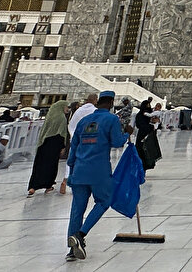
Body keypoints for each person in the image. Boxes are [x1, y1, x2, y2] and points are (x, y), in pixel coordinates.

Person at [65, 90, 127, 261]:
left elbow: (73, 148)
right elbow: (116, 142)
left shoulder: (84, 121)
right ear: (112, 102)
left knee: (77, 209)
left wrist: (70, 171)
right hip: (98, 170)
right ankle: (80, 234)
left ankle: (71, 250)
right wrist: (127, 133)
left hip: (79, 169)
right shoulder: (111, 119)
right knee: (103, 201)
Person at [29, 100, 69, 196]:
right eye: (66, 107)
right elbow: (62, 134)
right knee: (51, 166)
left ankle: (33, 187)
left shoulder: (49, 117)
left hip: (43, 144)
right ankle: (48, 186)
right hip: (54, 145)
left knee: (39, 166)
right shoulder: (62, 118)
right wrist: (63, 147)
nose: (67, 109)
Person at [63, 93, 98, 195]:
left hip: (75, 138)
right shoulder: (94, 111)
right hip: (88, 140)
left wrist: (74, 136)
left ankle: (66, 179)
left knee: (72, 160)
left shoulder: (79, 110)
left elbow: (71, 125)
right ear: (95, 100)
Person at [134, 98, 162, 171]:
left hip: (149, 136)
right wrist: (151, 126)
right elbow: (140, 125)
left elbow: (157, 123)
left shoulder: (150, 115)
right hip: (142, 135)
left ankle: (146, 166)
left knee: (148, 152)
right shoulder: (140, 115)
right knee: (141, 151)